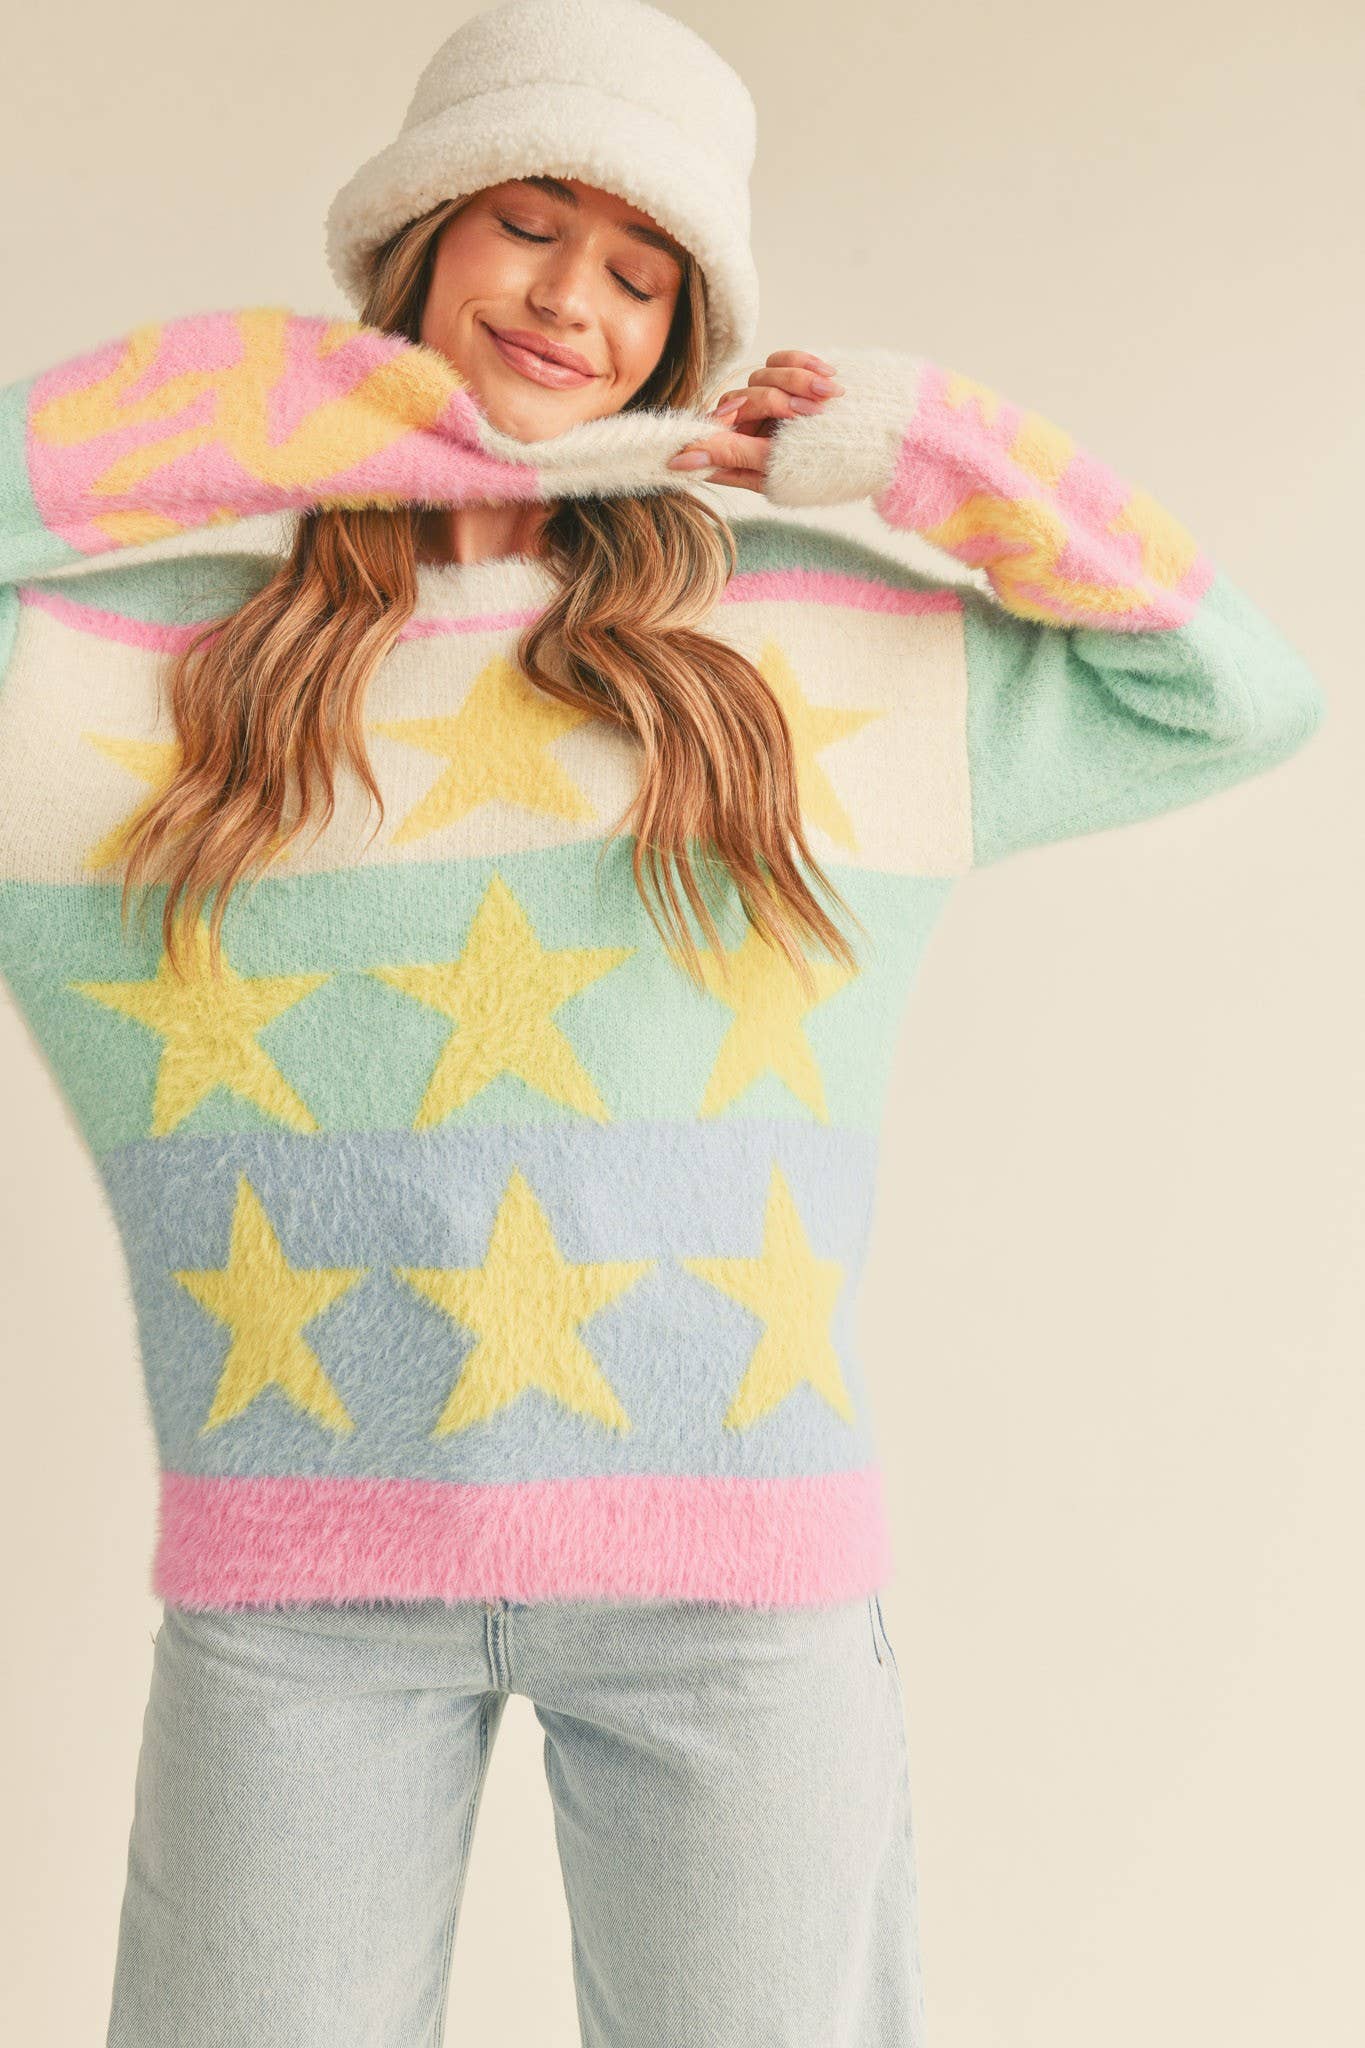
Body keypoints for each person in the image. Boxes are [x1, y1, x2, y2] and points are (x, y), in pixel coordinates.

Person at [0, 2, 1326, 2043]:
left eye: (639, 274)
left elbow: (1233, 696)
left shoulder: (798, 642)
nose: (571, 301)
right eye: (527, 226)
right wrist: (235, 413)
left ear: (684, 332)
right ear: (418, 246)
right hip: (298, 1600)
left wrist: (932, 455)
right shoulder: (153, 671)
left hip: (739, 1594)